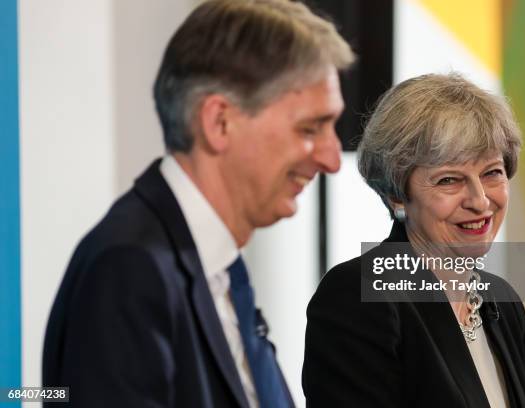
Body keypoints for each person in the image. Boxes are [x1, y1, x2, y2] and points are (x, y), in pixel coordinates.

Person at [43, 1, 354, 406]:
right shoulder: (129, 270)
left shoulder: (219, 266)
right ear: (219, 123)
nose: (332, 158)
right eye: (311, 128)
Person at [303, 73, 525, 407]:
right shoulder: (358, 295)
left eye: (492, 173)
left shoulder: (502, 300)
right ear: (397, 195)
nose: (480, 200)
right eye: (449, 180)